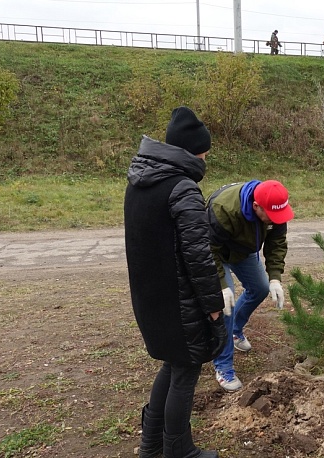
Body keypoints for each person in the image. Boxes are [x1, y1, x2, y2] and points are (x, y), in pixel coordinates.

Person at [124, 106, 227, 458]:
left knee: (172, 364)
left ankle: (151, 446)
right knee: (185, 373)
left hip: (151, 298)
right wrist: (213, 306)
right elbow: (198, 257)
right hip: (179, 303)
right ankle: (179, 451)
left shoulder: (139, 181)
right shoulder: (182, 189)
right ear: (191, 151)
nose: (206, 156)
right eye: (204, 151)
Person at [206, 179, 295, 392]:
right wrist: (220, 285)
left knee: (261, 288)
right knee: (225, 305)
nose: (275, 220)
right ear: (256, 206)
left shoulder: (275, 206)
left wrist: (274, 277)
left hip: (244, 251)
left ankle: (235, 331)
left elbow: (277, 242)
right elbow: (207, 247)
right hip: (216, 253)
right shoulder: (223, 209)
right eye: (271, 217)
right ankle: (223, 366)